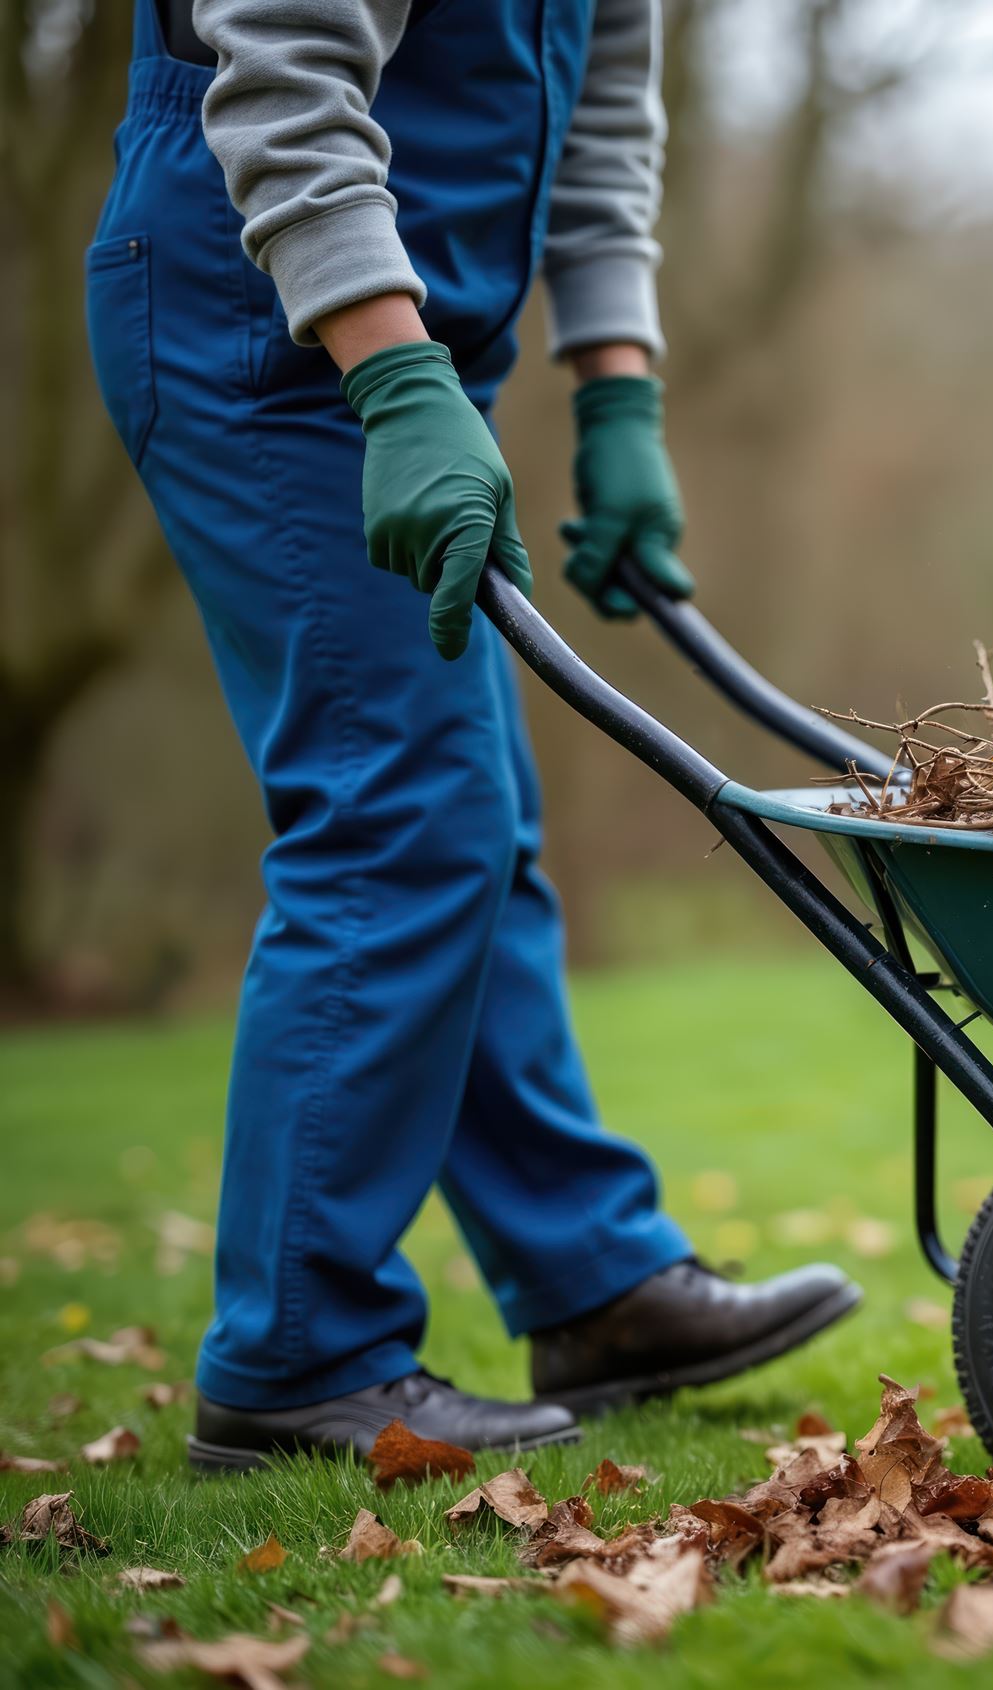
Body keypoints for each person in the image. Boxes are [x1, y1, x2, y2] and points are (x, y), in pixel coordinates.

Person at [85, 0, 860, 1471]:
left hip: (415, 356)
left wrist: (618, 390)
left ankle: (593, 1281)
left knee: (473, 818)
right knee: (400, 819)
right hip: (263, 335)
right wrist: (389, 373)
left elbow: (604, 106)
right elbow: (290, 70)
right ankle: (300, 1360)